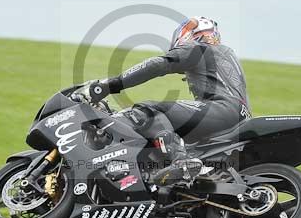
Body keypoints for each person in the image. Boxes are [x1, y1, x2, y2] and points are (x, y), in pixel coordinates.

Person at [79, 16, 251, 186]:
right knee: (168, 129)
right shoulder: (226, 55)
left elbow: (156, 65)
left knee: (148, 110)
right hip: (238, 116)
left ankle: (181, 160)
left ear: (189, 35)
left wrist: (108, 86)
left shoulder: (199, 48)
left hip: (223, 109)